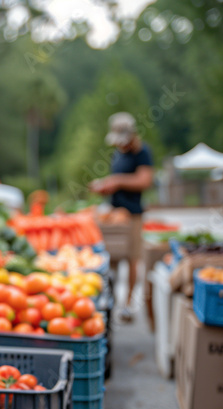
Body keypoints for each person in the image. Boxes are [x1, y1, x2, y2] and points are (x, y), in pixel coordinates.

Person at [90, 112, 154, 323]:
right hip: (114, 215)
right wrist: (105, 186)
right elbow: (116, 180)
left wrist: (117, 181)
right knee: (113, 261)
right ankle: (112, 302)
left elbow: (144, 181)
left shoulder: (142, 152)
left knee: (132, 259)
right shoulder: (117, 154)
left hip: (132, 214)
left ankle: (128, 304)